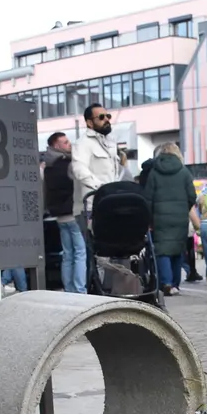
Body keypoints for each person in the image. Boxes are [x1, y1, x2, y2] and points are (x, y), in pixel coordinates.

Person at [69, 106, 119, 293]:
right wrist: (101, 189)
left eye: (108, 115)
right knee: (95, 253)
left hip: (110, 204)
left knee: (110, 251)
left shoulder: (109, 142)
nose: (107, 119)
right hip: (91, 206)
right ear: (89, 122)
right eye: (101, 117)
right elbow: (79, 170)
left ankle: (109, 290)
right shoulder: (83, 143)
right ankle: (95, 292)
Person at [144, 142, 199, 296]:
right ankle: (175, 283)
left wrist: (150, 218)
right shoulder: (184, 172)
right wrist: (184, 208)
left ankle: (166, 282)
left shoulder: (154, 173)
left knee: (162, 250)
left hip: (160, 218)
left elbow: (148, 198)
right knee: (177, 250)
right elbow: (192, 196)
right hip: (180, 217)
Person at [42, 132, 74, 291]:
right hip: (71, 211)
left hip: (56, 213)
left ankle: (68, 288)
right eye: (65, 142)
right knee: (80, 253)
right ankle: (79, 289)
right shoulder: (66, 163)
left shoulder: (48, 165)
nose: (69, 144)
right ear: (56, 145)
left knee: (67, 254)